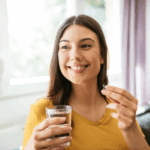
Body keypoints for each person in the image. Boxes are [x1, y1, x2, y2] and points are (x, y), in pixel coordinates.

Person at [22, 15, 149, 150]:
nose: (75, 55)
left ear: (102, 55)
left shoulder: (119, 107)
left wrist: (131, 128)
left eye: (85, 45)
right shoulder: (42, 110)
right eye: (65, 47)